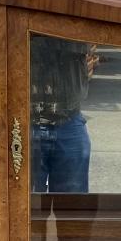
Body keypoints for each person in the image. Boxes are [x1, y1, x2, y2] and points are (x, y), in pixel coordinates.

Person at [29, 37, 97, 193]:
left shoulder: (73, 29)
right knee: (23, 202)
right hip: (25, 121)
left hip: (69, 119)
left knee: (71, 203)